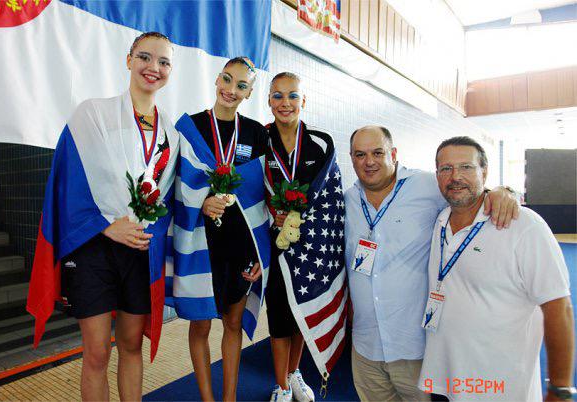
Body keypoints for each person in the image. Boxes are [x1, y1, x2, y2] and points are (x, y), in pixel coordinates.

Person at [27, 32, 179, 401]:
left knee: (130, 347)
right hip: (93, 249)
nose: (153, 68)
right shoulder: (92, 115)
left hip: (140, 256)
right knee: (96, 352)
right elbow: (67, 182)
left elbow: (176, 199)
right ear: (129, 60)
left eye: (163, 62)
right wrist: (107, 226)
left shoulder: (171, 136)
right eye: (144, 57)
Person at [344, 126, 519, 401]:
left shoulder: (426, 186)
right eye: (360, 154)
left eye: (378, 152)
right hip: (365, 347)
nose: (369, 161)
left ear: (393, 153)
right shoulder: (347, 200)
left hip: (415, 345)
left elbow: (469, 195)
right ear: (351, 158)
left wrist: (503, 190)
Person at [418, 136, 575, 401]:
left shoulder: (523, 224)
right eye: (446, 169)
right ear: (437, 175)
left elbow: (559, 307)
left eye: (466, 167)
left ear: (485, 172)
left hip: (499, 387)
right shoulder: (440, 220)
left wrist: (560, 387)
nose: (455, 176)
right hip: (443, 378)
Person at [168, 57, 270, 402]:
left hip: (240, 245)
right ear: (217, 79)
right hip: (202, 244)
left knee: (232, 323)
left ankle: (229, 398)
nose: (231, 89)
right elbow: (175, 184)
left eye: (241, 85)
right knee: (201, 324)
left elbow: (261, 197)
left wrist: (261, 251)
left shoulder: (256, 133)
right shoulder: (191, 128)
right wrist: (202, 203)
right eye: (227, 79)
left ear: (249, 92)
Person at [264, 72, 335, 402]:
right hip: (273, 242)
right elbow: (247, 191)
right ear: (268, 101)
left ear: (303, 101)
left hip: (308, 245)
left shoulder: (320, 144)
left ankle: (293, 374)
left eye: (293, 96)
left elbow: (329, 197)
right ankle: (279, 386)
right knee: (279, 315)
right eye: (277, 96)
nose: (285, 103)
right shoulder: (258, 139)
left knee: (300, 314)